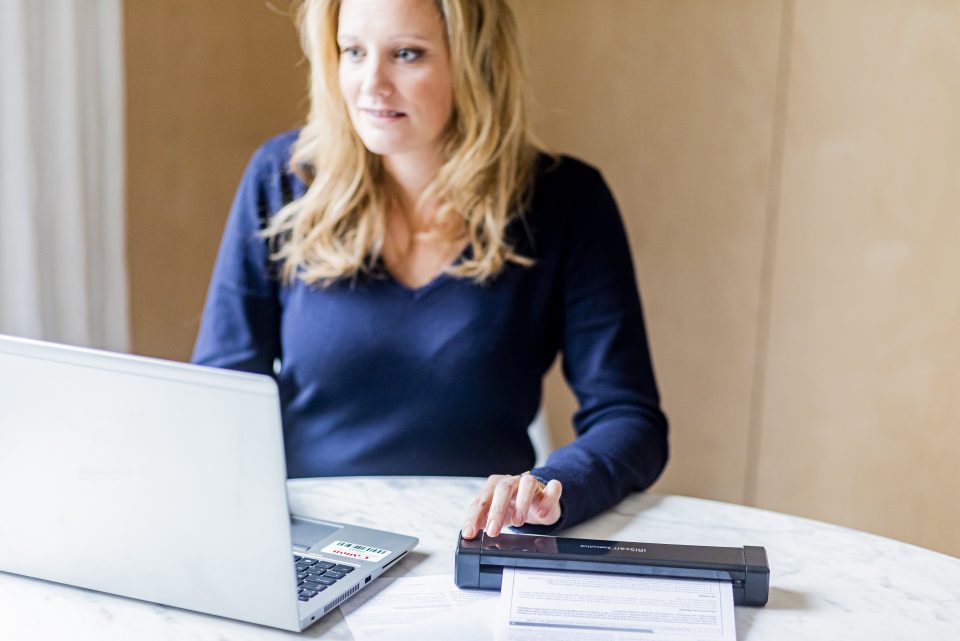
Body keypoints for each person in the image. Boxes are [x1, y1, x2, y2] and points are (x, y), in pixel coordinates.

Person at [192, 0, 668, 539]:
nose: (372, 84)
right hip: (307, 536)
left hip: (473, 539)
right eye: (353, 51)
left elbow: (629, 418)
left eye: (406, 54)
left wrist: (551, 487)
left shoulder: (567, 201)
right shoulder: (281, 180)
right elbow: (222, 393)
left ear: (476, 62)